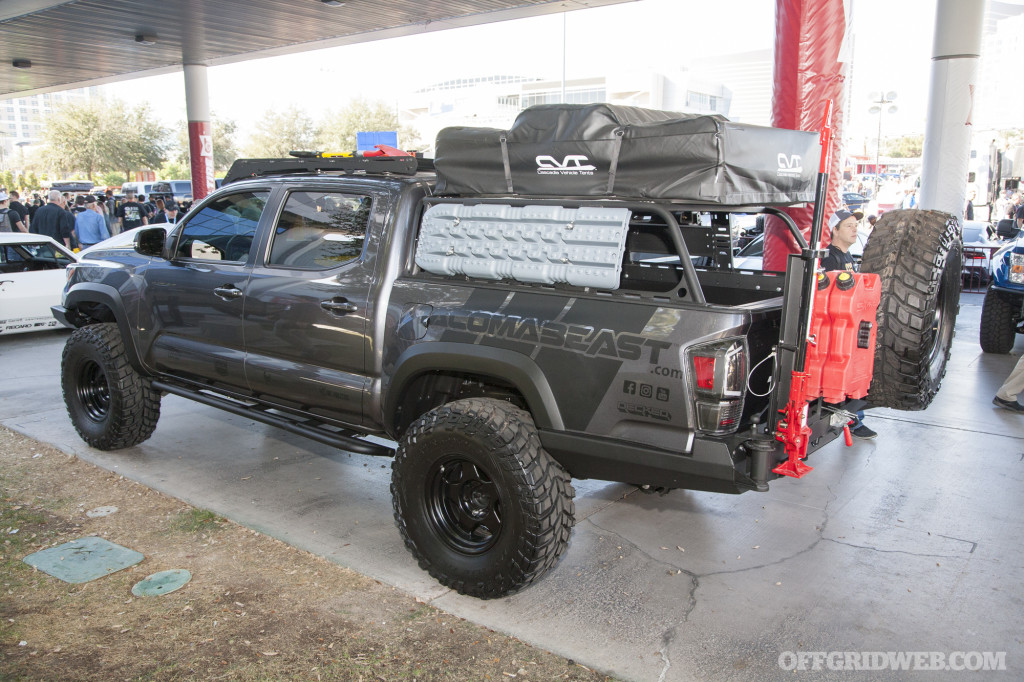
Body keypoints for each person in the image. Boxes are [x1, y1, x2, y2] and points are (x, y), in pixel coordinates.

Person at [821, 208, 877, 440]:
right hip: (835, 329)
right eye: (848, 226)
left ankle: (854, 419)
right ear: (834, 230)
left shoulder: (848, 258)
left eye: (856, 225)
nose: (855, 229)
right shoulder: (829, 258)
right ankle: (852, 421)